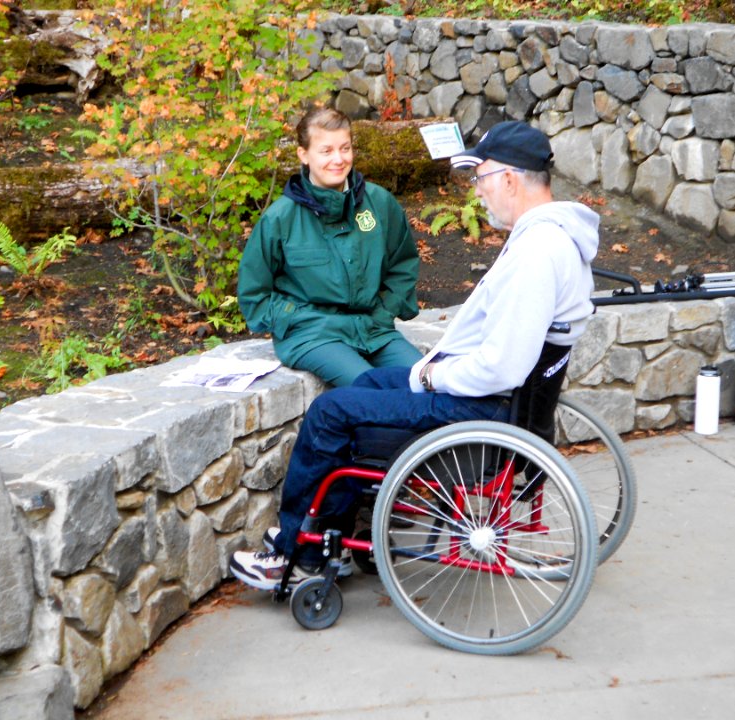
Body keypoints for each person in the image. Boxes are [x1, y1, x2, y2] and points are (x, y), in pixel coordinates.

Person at [230, 121, 601, 590]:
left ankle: (297, 553)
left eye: (481, 178)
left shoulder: (536, 254)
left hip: (474, 407)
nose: (478, 191)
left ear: (509, 179)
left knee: (330, 411)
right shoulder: (554, 240)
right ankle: (331, 537)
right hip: (494, 401)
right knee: (365, 387)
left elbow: (501, 365)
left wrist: (430, 378)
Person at [237, 106, 423, 387]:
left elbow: (403, 264)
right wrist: (295, 319)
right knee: (370, 391)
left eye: (345, 148)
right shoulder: (280, 218)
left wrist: (385, 310)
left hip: (373, 329)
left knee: (423, 382)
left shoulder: (379, 203)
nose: (338, 159)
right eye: (326, 151)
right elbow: (254, 293)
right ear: (304, 155)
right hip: (313, 335)